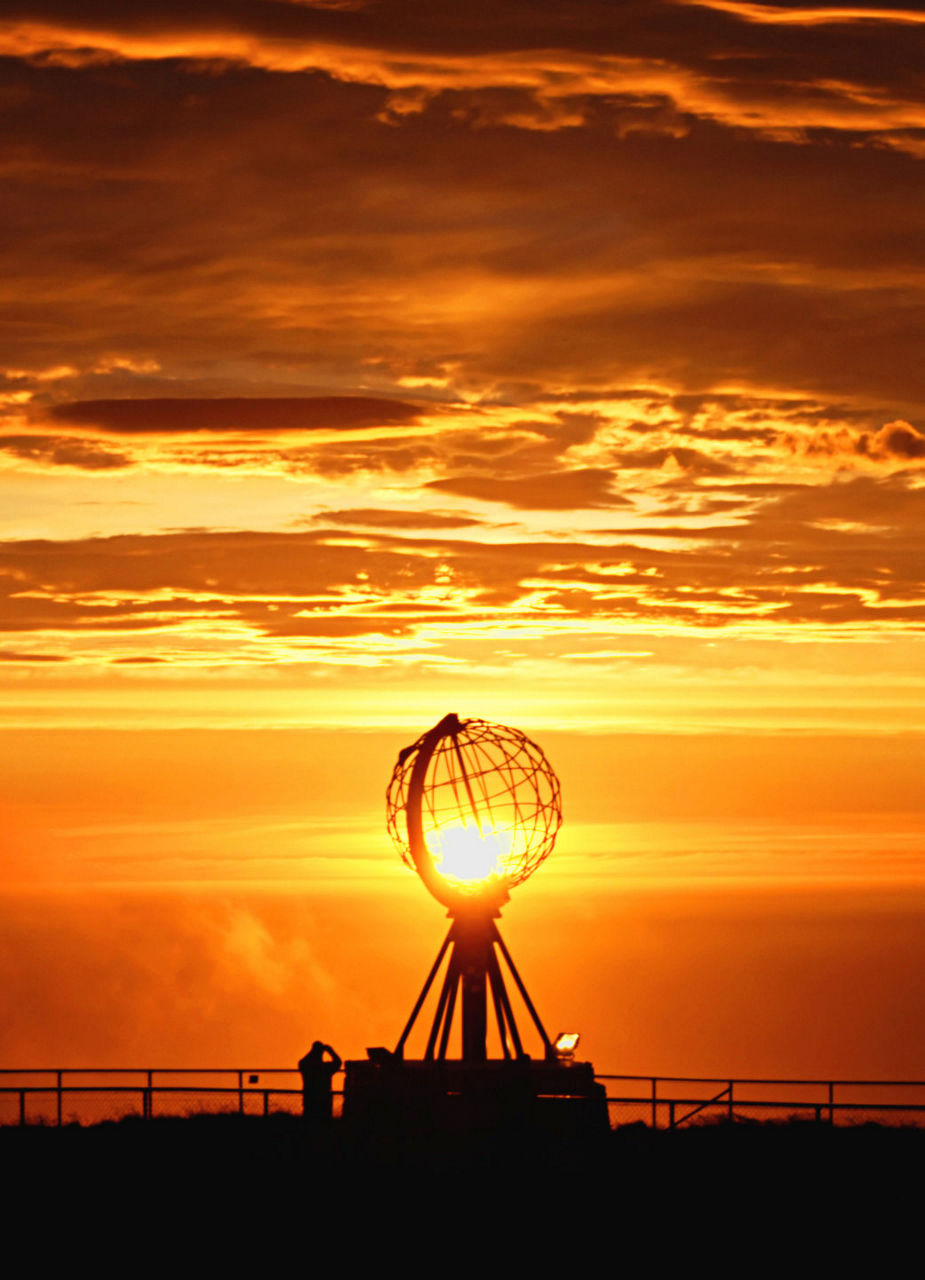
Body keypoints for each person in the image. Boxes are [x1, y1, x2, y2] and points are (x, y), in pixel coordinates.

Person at [298, 1041, 342, 1126]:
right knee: (324, 1125)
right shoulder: (325, 1068)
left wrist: (313, 1051)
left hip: (310, 1099)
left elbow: (301, 1062)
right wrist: (330, 1051)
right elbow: (338, 1062)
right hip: (324, 1100)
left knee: (309, 1123)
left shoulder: (307, 1067)